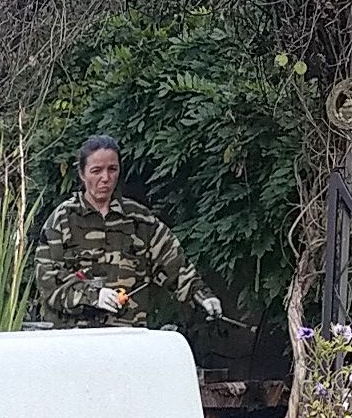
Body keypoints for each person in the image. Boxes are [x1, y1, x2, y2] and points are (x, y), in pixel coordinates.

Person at [35, 134, 223, 328]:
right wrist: (93, 296)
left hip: (129, 335)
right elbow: (48, 282)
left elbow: (174, 265)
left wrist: (204, 297)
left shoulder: (140, 220)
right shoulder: (62, 220)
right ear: (82, 174)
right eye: (96, 171)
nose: (105, 178)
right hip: (75, 336)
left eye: (112, 169)